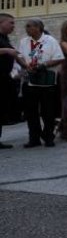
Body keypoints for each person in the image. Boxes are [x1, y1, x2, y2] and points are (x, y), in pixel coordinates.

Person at [17, 18, 64, 148]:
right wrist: (24, 64)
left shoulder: (50, 41)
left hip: (46, 82)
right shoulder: (24, 41)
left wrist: (43, 65)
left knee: (47, 111)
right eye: (26, 26)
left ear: (38, 28)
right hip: (29, 81)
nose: (26, 28)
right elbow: (20, 56)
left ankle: (48, 137)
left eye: (29, 26)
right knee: (31, 112)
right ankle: (34, 138)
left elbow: (59, 58)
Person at [0, 13, 28, 149]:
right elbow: (9, 52)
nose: (13, 26)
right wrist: (6, 51)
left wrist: (27, 66)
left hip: (5, 78)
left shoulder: (5, 38)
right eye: (11, 23)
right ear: (1, 23)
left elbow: (15, 55)